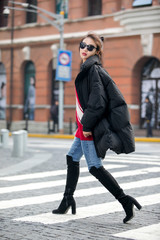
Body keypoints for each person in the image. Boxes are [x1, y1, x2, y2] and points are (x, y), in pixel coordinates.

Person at [52, 32, 142, 223]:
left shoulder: (93, 70)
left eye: (90, 47)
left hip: (87, 126)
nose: (84, 49)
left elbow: (98, 102)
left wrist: (87, 125)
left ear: (97, 51)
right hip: (83, 125)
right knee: (72, 157)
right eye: (82, 45)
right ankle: (67, 200)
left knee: (95, 167)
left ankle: (125, 200)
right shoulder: (88, 68)